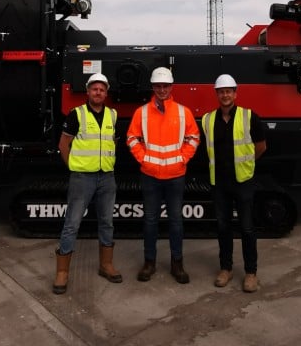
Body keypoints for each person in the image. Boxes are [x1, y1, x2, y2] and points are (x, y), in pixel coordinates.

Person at [127, 66, 200, 284]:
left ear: (171, 87)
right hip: (150, 175)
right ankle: (149, 263)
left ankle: (177, 264)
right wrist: (144, 159)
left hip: (176, 175)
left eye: (165, 86)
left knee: (176, 221)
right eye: (158, 86)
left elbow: (193, 138)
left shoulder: (182, 112)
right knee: (150, 221)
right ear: (153, 87)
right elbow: (132, 138)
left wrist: (182, 158)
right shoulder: (141, 112)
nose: (161, 89)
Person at [52, 72, 122, 295]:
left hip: (106, 177)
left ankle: (106, 265)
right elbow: (64, 144)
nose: (98, 92)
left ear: (106, 93)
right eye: (94, 89)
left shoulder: (113, 115)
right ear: (88, 91)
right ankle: (62, 272)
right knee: (72, 223)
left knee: (107, 222)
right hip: (82, 178)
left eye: (102, 89)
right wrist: (73, 166)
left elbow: (115, 143)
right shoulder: (77, 115)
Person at [199, 74, 267, 293]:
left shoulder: (249, 117)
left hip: (243, 182)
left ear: (235, 94)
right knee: (223, 227)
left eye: (229, 91)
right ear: (217, 94)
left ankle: (251, 273)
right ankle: (225, 269)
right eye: (221, 91)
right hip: (219, 183)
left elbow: (261, 146)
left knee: (247, 228)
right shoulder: (208, 120)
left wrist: (246, 165)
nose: (225, 95)